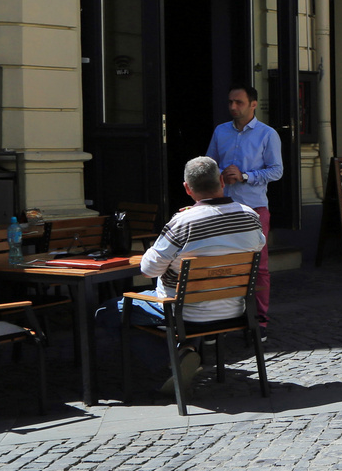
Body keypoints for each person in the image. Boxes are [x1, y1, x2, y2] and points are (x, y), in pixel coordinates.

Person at [97, 156, 264, 396]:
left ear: (187, 188)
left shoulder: (182, 223)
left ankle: (173, 356)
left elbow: (148, 269)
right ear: (221, 181)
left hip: (189, 312)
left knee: (107, 312)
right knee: (180, 298)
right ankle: (184, 350)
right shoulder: (250, 216)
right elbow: (258, 246)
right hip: (236, 309)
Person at [205, 84, 282, 333]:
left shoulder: (267, 134)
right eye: (230, 102)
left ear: (253, 104)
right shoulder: (221, 131)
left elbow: (276, 170)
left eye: (238, 102)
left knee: (258, 265)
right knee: (221, 261)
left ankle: (259, 318)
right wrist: (220, 174)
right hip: (223, 207)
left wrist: (246, 176)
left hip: (254, 208)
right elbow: (208, 164)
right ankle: (224, 316)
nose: (233, 107)